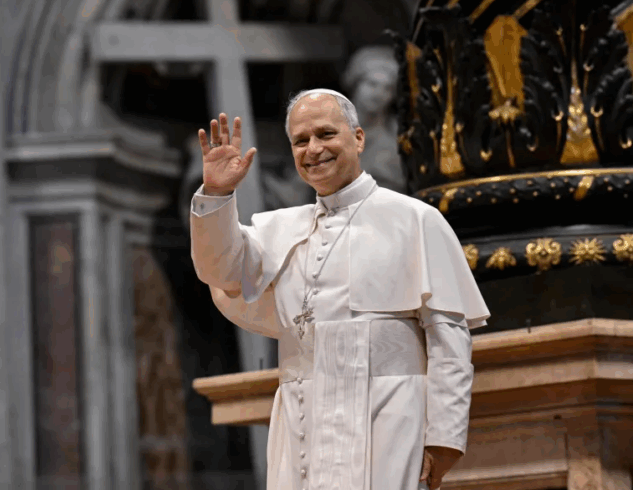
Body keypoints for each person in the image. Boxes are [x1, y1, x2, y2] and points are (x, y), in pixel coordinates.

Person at [190, 89, 490, 490]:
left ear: (359, 138)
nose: (313, 149)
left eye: (326, 134)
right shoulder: (278, 229)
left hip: (389, 419)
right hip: (302, 422)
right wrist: (217, 194)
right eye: (301, 140)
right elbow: (219, 270)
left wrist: (444, 437)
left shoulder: (415, 220)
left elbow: (449, 339)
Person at [342, 45, 405, 193]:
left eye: (387, 88)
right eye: (372, 84)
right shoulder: (329, 129)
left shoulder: (396, 139)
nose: (378, 94)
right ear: (355, 85)